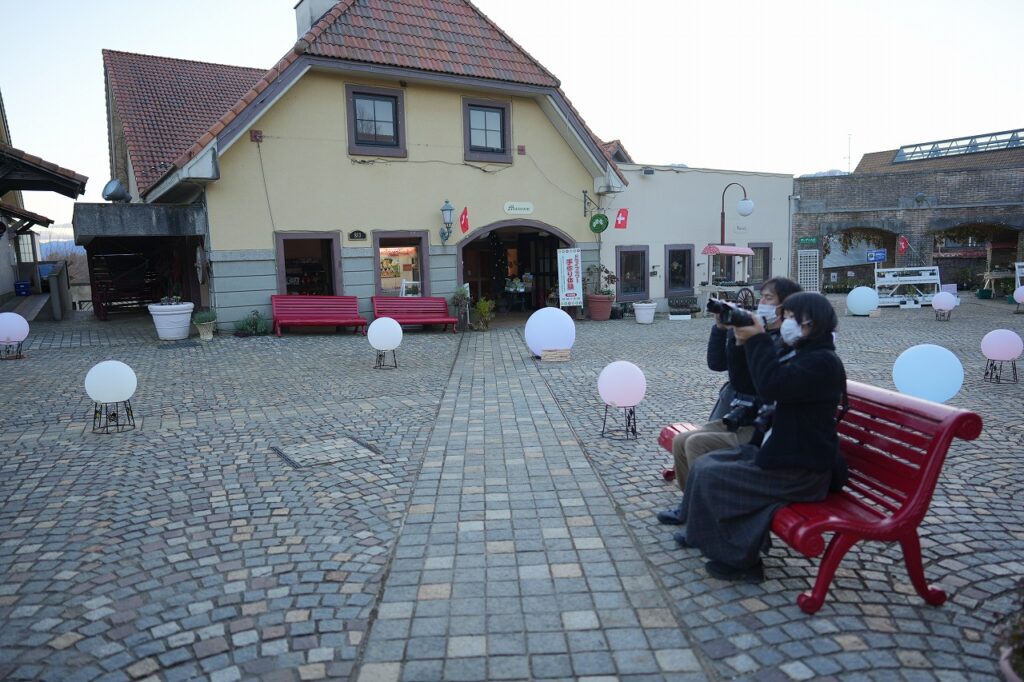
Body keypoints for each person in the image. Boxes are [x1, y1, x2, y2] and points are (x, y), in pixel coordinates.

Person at [672, 292, 848, 582]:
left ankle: (744, 562)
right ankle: (703, 535)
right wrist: (742, 341)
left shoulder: (822, 362)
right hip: (780, 455)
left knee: (715, 476)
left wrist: (757, 338)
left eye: (791, 317)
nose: (785, 322)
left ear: (811, 322)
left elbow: (771, 386)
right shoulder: (803, 355)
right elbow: (751, 383)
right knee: (705, 466)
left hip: (802, 471)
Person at [658, 277, 802, 525]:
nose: (761, 304)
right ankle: (692, 505)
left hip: (761, 427)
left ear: (785, 307)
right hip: (742, 415)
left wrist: (752, 339)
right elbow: (727, 372)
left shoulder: (785, 343)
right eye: (762, 298)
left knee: (696, 445)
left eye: (768, 299)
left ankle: (703, 514)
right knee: (682, 440)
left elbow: (760, 386)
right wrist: (726, 331)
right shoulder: (761, 333)